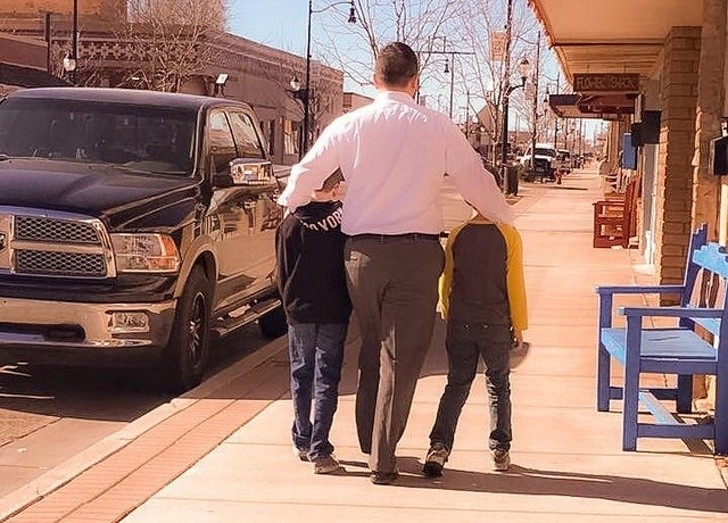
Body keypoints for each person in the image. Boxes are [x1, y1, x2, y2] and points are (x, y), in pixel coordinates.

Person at [277, 42, 514, 485]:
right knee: (402, 359)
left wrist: (291, 203)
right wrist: (504, 217)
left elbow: (304, 175)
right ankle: (382, 460)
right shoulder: (437, 127)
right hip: (415, 255)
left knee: (373, 346)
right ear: (415, 79)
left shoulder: (350, 125)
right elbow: (475, 178)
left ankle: (370, 438)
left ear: (374, 78)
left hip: (360, 256)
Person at [423, 207, 527, 477]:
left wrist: (446, 307)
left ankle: (439, 447)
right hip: (495, 321)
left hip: (461, 320)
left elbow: (447, 278)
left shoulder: (458, 234)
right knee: (498, 385)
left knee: (456, 384)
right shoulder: (508, 234)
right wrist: (519, 324)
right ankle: (499, 448)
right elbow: (514, 281)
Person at [275, 171, 351, 475]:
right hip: (334, 309)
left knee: (301, 374)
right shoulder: (344, 224)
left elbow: (281, 272)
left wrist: (288, 304)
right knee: (327, 377)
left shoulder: (290, 223)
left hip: (299, 310)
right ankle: (321, 447)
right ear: (333, 188)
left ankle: (302, 437)